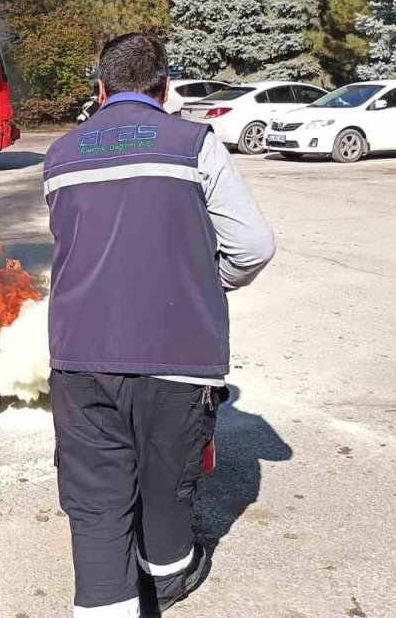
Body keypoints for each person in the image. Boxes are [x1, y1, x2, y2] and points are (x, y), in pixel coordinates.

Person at [43, 32, 276, 617]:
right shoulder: (193, 143)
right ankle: (167, 579)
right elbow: (251, 246)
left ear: (100, 89)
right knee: (166, 480)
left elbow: (78, 243)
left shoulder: (60, 155)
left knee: (96, 500)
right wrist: (201, 281)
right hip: (175, 354)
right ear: (165, 89)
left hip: (80, 358)